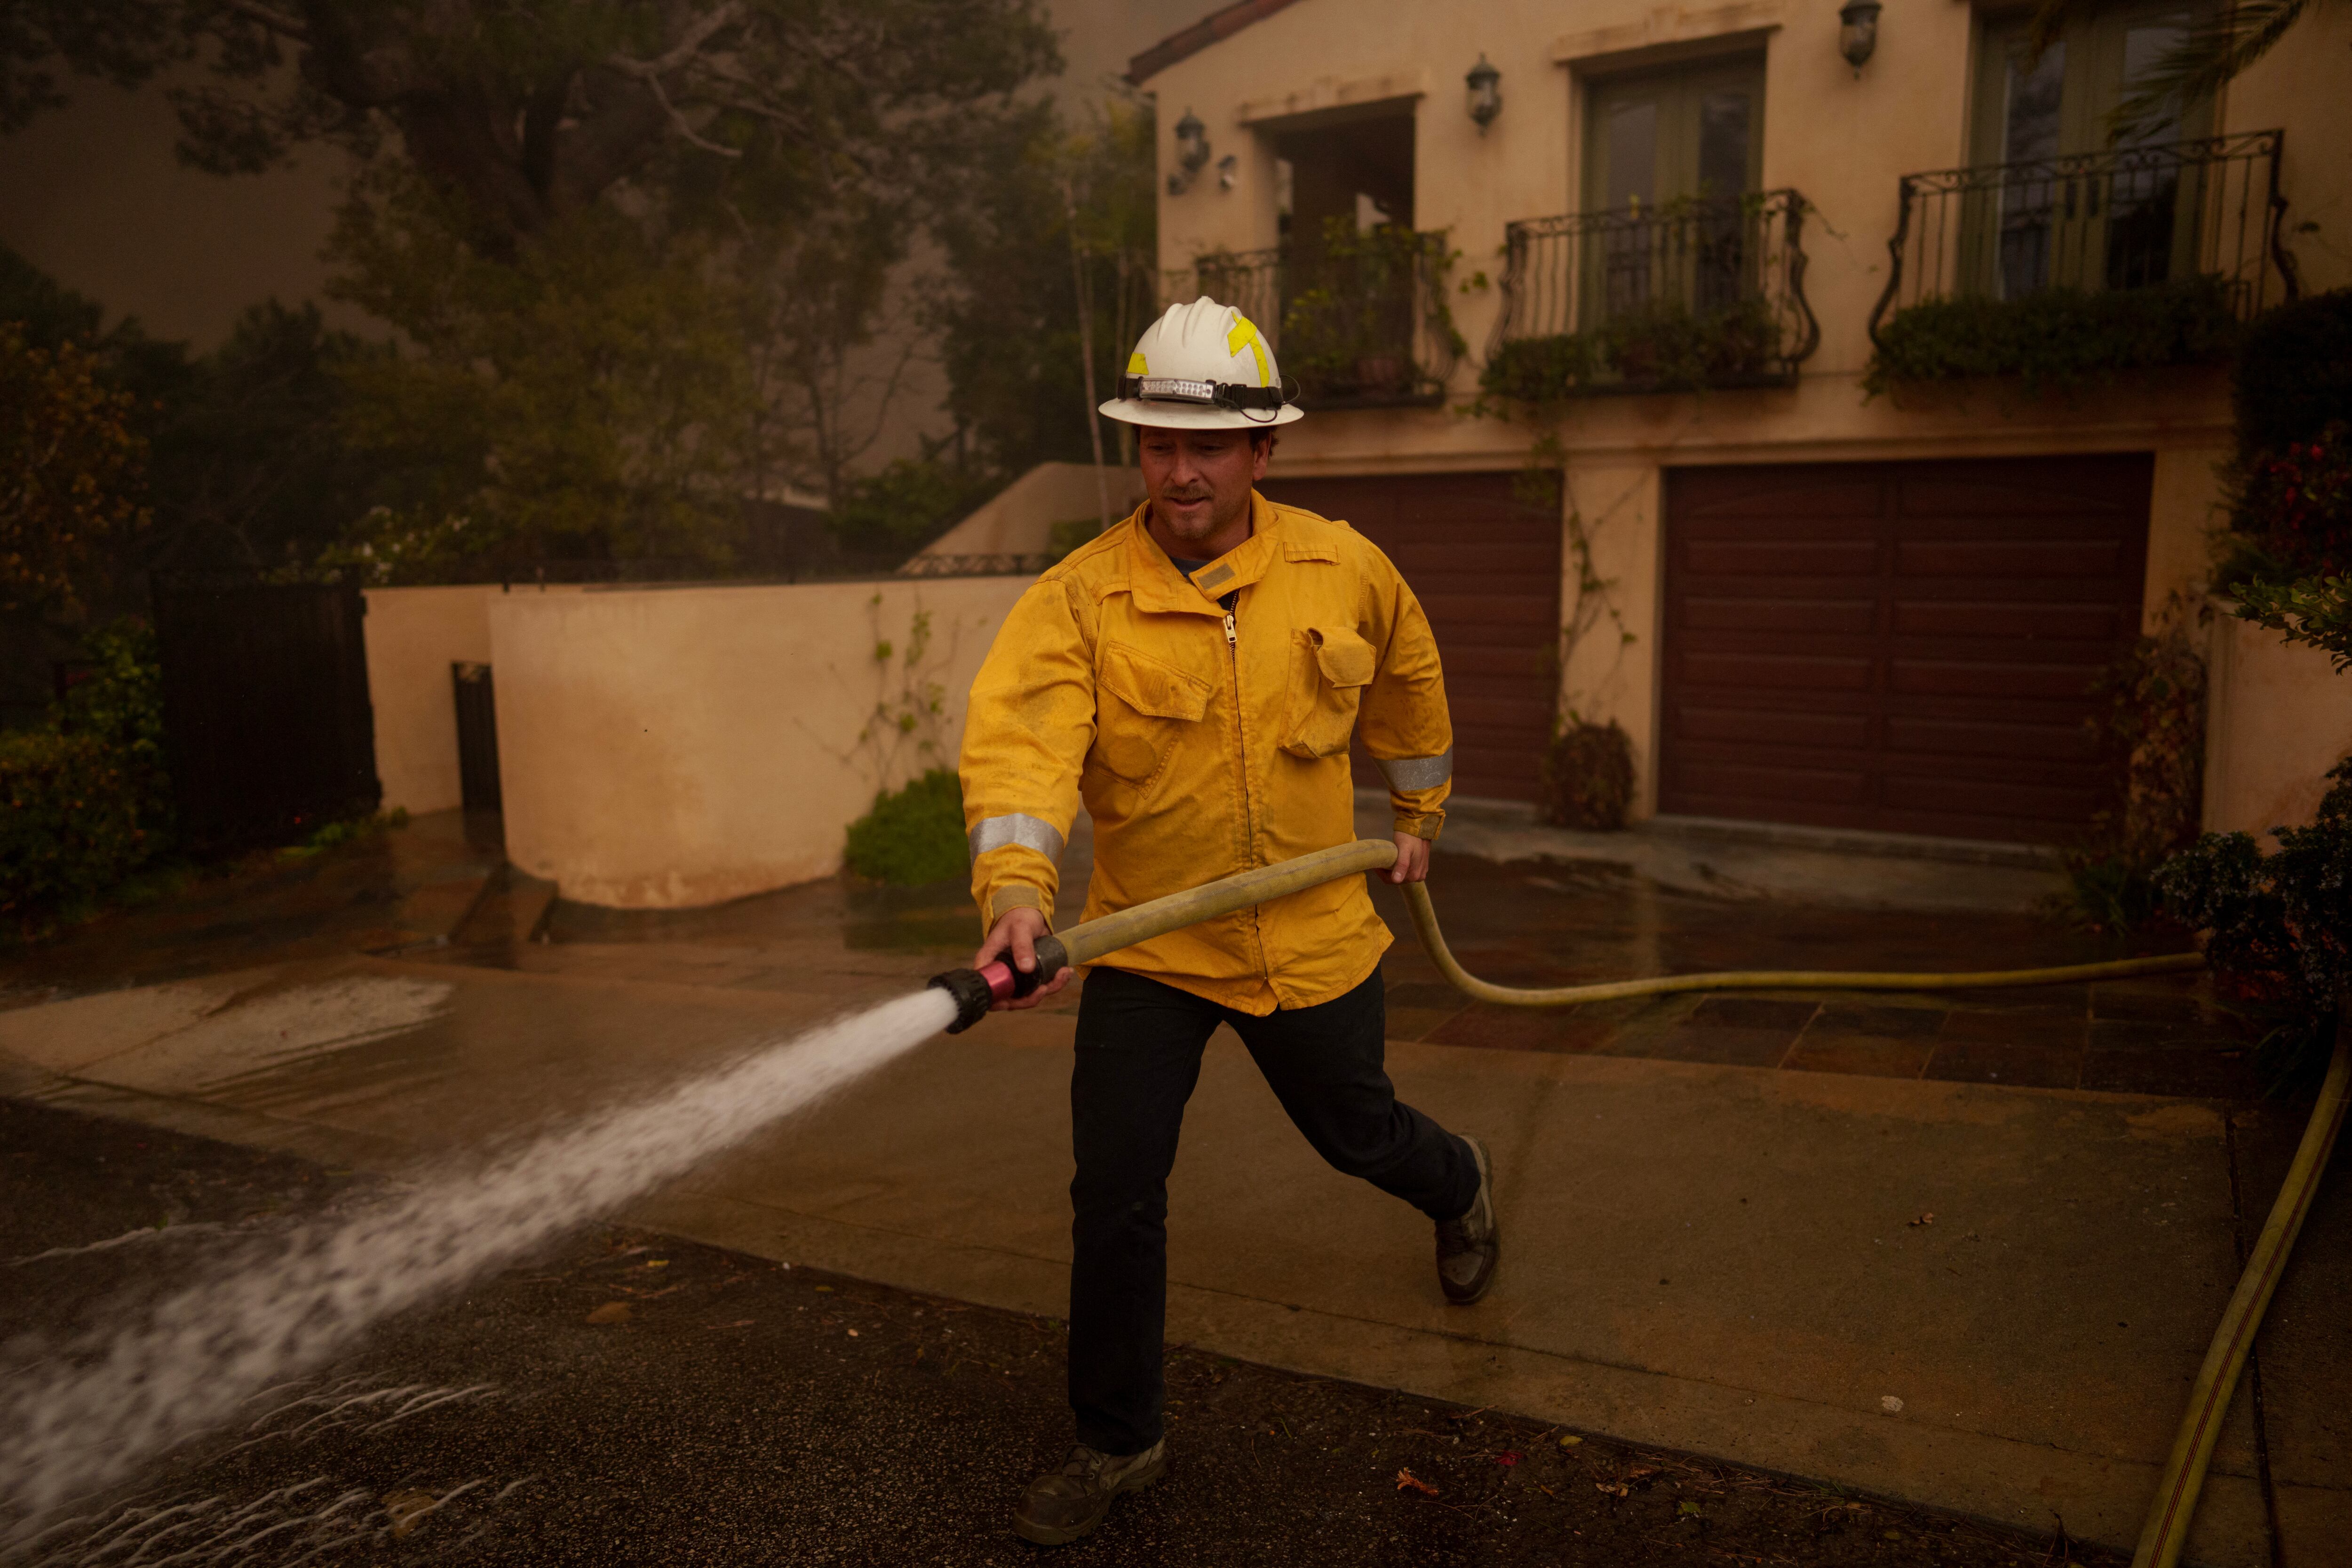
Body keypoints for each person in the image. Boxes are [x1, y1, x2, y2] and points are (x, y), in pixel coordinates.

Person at [958, 297, 1499, 1547]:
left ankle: (1459, 1183)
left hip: (1310, 934)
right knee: (1117, 1193)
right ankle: (1116, 1442)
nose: (1179, 469)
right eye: (1156, 442)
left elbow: (1411, 678)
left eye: (1206, 445)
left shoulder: (1345, 568)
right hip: (1146, 945)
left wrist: (1420, 806)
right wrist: (1016, 900)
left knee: (1359, 1138)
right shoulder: (1078, 603)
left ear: (1265, 450)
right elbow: (1024, 759)